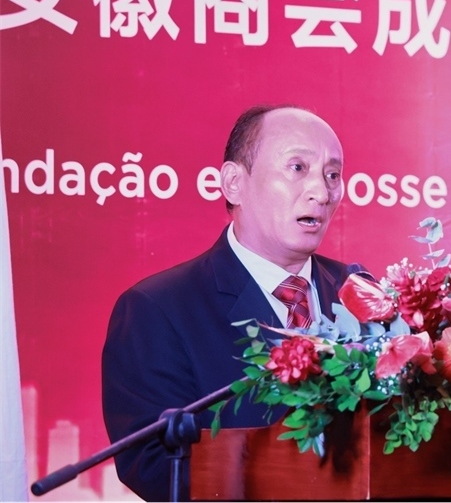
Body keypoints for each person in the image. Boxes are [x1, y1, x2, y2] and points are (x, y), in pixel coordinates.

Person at [101, 105, 351, 501]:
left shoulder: (360, 292)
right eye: (297, 168)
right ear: (234, 183)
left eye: (332, 175)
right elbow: (154, 465)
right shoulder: (159, 309)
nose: (321, 192)